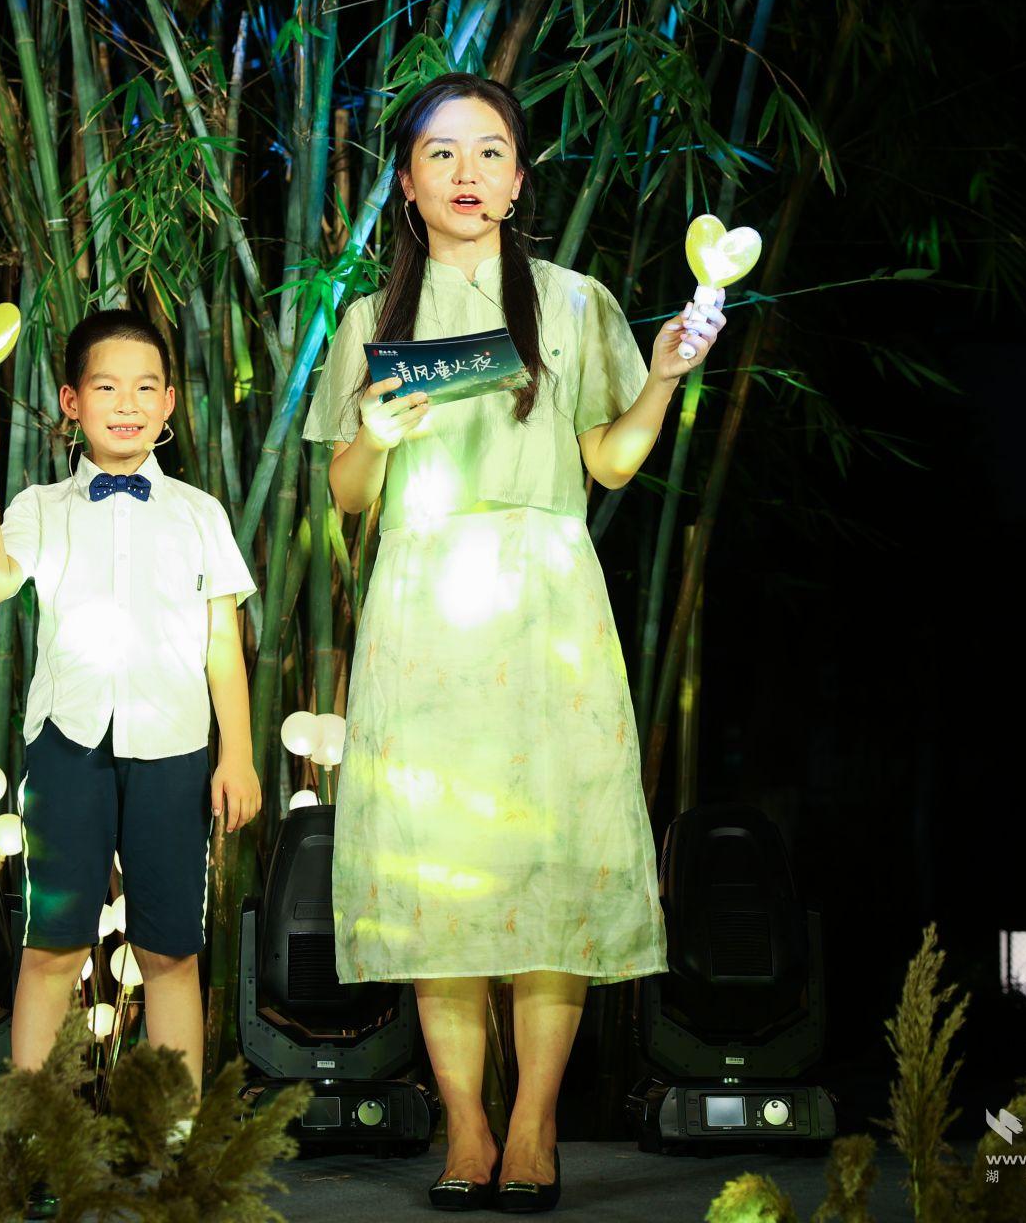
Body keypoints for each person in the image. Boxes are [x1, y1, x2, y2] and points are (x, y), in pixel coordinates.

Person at [302, 72, 726, 1213]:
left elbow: (612, 463)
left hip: (546, 603)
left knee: (549, 862)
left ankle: (535, 1123)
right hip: (425, 602)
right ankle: (466, 1124)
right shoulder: (371, 321)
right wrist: (374, 434)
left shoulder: (576, 303)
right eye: (441, 154)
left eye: (489, 152)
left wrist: (664, 380)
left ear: (520, 178)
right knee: (436, 866)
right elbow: (347, 494)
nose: (467, 173)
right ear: (406, 183)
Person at [0, 309, 260, 1209]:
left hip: (175, 749)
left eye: (144, 388)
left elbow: (222, 644)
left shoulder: (199, 513)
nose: (125, 404)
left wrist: (238, 755)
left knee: (171, 950)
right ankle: (36, 1143)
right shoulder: (39, 506)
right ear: (70, 402)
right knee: (53, 946)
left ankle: (174, 1153)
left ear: (168, 404)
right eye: (105, 387)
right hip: (68, 747)